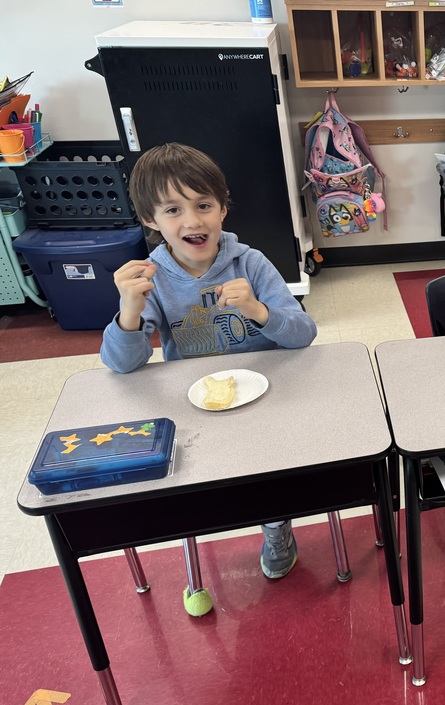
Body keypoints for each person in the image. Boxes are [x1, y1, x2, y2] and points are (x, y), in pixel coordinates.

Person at [100, 143, 317, 579]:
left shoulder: (250, 263)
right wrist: (128, 310)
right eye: (173, 210)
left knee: (269, 468)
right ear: (150, 220)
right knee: (193, 472)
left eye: (203, 205)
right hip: (195, 402)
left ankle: (276, 523)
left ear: (222, 210)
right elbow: (123, 366)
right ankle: (196, 526)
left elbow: (303, 335)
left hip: (267, 392)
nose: (192, 221)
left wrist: (260, 311)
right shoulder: (152, 280)